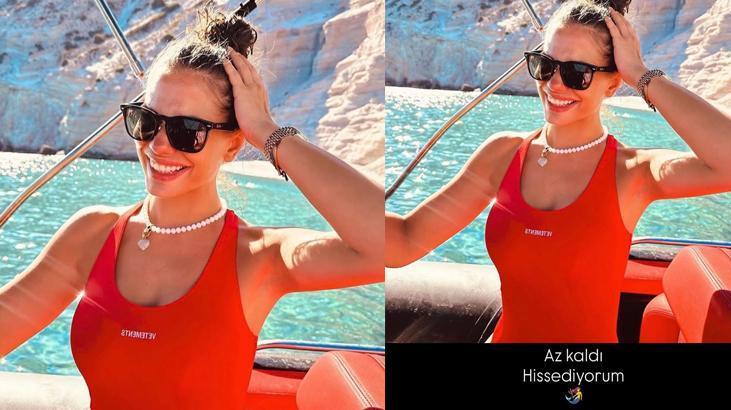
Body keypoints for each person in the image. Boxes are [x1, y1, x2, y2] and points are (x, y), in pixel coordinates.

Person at [0, 2, 383, 407]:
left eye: (187, 131)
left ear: (233, 145)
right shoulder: (91, 235)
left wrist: (268, 132)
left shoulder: (258, 258)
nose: (158, 145)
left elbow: (383, 247)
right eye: (147, 121)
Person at [385, 0, 731, 342]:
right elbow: (405, 241)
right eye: (546, 65)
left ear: (613, 84)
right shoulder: (501, 155)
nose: (554, 85)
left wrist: (641, 75)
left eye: (577, 73)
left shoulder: (632, 173)